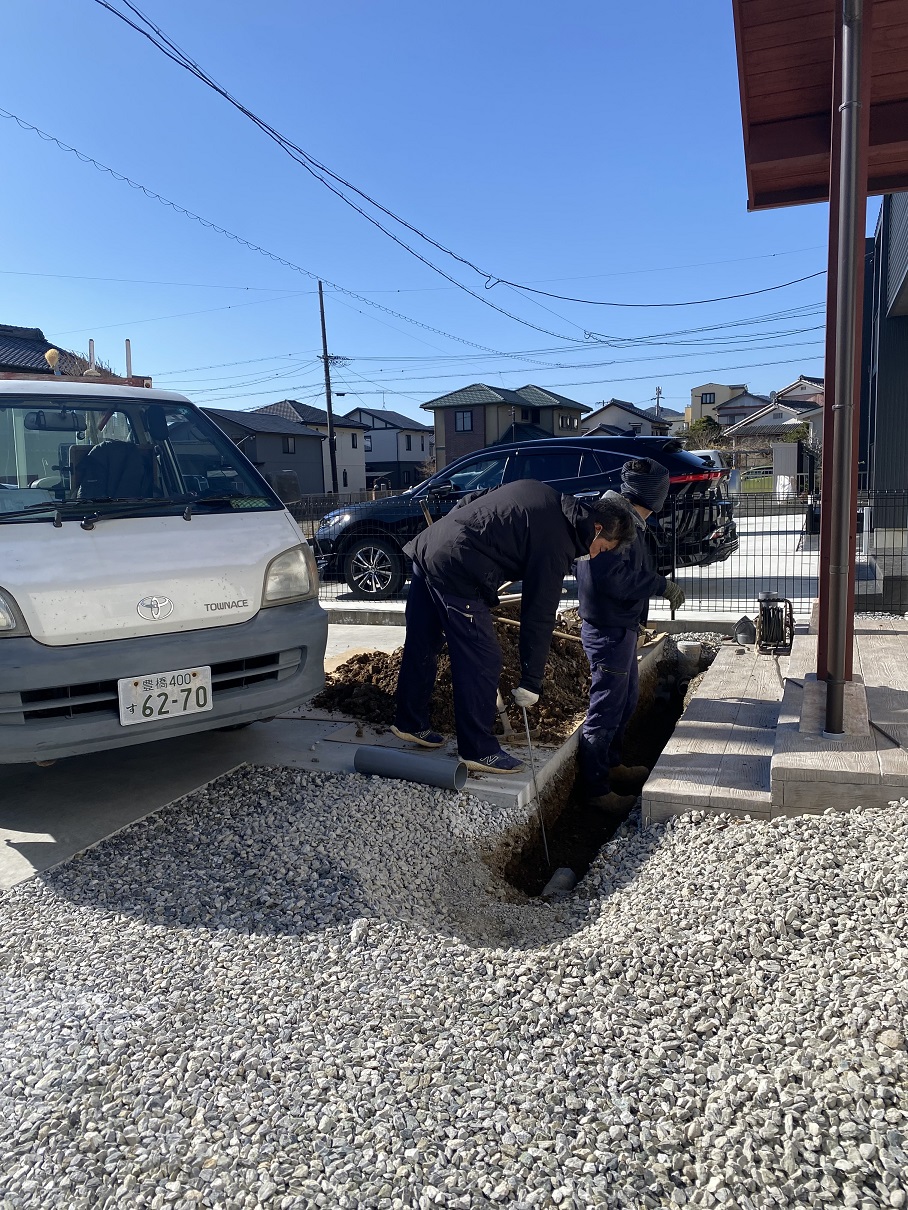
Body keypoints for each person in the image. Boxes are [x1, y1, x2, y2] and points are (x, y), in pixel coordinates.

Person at [392, 479, 635, 773]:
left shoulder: (543, 492)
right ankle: (478, 751)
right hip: (457, 571)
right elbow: (539, 612)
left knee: (424, 641)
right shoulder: (557, 543)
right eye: (603, 548)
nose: (597, 555)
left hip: (429, 546)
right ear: (597, 529)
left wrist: (452, 533)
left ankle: (409, 721)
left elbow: (473, 498)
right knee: (483, 659)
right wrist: (532, 680)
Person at [575, 458, 686, 813]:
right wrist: (660, 585)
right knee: (605, 709)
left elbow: (625, 572)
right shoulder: (612, 522)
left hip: (619, 627)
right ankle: (595, 790)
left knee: (626, 699)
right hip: (607, 630)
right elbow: (614, 579)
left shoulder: (621, 516)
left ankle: (612, 764)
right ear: (653, 499)